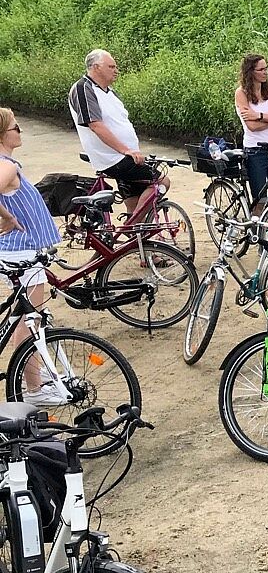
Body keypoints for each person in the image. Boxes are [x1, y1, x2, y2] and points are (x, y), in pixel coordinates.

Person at [0, 108, 64, 403]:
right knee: (30, 321)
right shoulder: (7, 167)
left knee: (27, 318)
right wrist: (9, 218)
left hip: (20, 251)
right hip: (22, 253)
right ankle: (35, 389)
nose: (20, 131)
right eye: (16, 127)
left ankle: (35, 381)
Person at [68, 49, 166, 213]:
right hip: (113, 158)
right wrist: (125, 150)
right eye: (111, 67)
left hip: (127, 156)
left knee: (134, 201)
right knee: (161, 182)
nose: (116, 71)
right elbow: (95, 125)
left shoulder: (110, 92)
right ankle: (135, 226)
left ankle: (133, 226)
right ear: (96, 67)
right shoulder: (83, 88)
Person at [234, 54, 268, 208]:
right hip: (255, 150)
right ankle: (257, 223)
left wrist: (259, 116)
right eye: (261, 69)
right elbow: (252, 126)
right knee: (260, 197)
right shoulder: (241, 93)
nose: (265, 72)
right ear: (251, 72)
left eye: (266, 68)